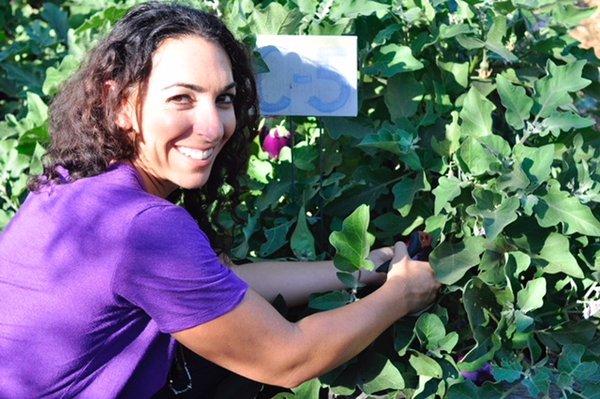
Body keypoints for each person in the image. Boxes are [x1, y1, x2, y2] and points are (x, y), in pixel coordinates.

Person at [0, 2, 440, 398]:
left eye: (224, 99)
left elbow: (224, 286)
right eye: (181, 99)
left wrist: (361, 273)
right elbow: (288, 359)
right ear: (117, 101)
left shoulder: (70, 186)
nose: (213, 127)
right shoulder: (143, 227)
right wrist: (402, 295)